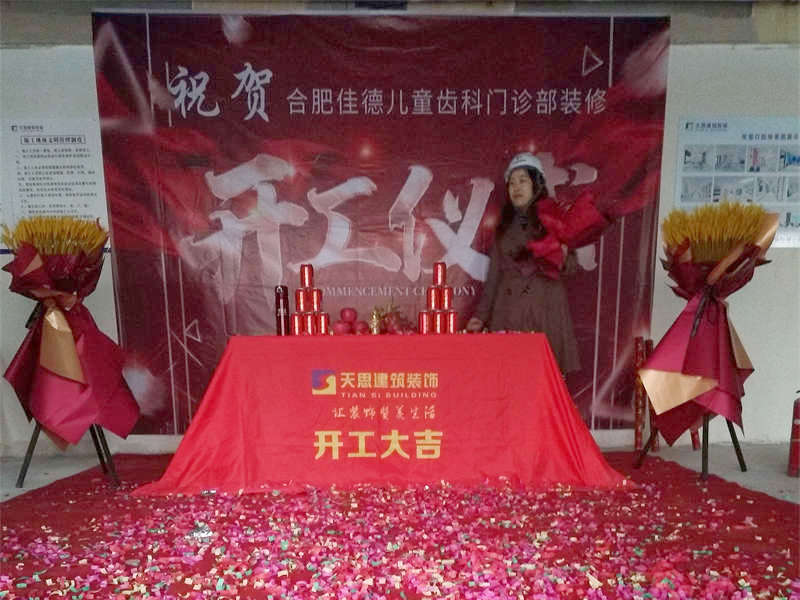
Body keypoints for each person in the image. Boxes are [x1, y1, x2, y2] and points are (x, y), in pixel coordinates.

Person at [466, 152, 581, 374]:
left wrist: (564, 254)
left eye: (523, 180)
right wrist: (480, 316)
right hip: (509, 311)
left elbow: (571, 268)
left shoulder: (554, 219)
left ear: (537, 184)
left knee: (543, 380)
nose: (516, 187)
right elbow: (493, 277)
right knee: (508, 379)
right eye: (512, 183)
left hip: (544, 308)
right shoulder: (503, 227)